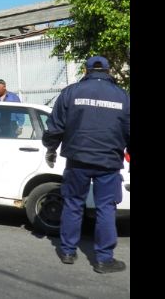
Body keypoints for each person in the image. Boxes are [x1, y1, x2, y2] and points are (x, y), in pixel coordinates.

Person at [42, 55, 130, 274]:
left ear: (86, 70)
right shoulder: (123, 96)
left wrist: (51, 148)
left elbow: (56, 127)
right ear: (108, 71)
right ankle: (104, 259)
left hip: (77, 160)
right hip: (108, 161)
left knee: (73, 204)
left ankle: (68, 251)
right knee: (106, 208)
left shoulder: (70, 93)